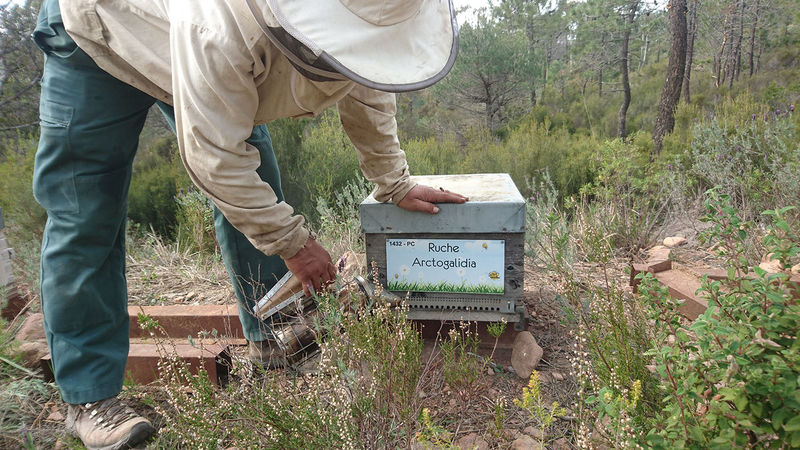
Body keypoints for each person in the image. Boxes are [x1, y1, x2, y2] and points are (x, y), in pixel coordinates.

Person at [31, 0, 465, 448]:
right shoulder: (219, 26)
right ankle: (89, 395)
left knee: (258, 179)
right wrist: (293, 243)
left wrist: (393, 181)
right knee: (85, 211)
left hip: (204, 47)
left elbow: (365, 75)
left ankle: (273, 337)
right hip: (102, 29)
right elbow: (215, 159)